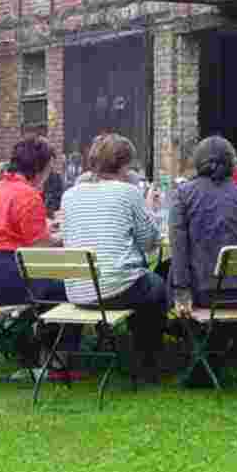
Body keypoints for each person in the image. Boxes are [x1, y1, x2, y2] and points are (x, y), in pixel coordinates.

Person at [61, 133, 167, 380]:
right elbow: (149, 242)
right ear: (125, 165)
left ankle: (126, 350)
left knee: (142, 283)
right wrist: (149, 211)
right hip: (115, 290)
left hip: (79, 291)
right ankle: (147, 359)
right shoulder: (128, 192)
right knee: (156, 285)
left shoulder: (70, 195)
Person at [169, 136, 237, 311]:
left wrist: (182, 291)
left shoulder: (183, 193)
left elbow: (178, 245)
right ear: (231, 162)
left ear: (197, 161)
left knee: (164, 274)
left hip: (203, 293)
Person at [0, 135, 64, 306]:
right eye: (48, 170)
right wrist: (63, 237)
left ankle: (37, 331)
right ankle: (54, 333)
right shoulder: (29, 195)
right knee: (70, 290)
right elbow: (41, 247)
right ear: (39, 168)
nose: (49, 175)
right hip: (12, 280)